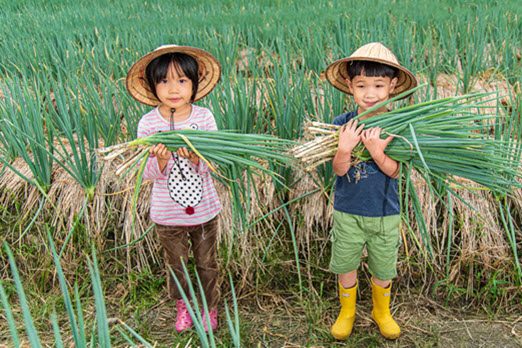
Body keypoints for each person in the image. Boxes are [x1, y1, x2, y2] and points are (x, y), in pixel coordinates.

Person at [126, 45, 222, 333]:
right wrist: (162, 160)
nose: (173, 89)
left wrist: (196, 156)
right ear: (153, 86)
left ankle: (209, 307)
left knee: (207, 263)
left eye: (182, 80)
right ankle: (183, 306)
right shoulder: (148, 124)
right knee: (177, 265)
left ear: (194, 84)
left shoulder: (203, 118)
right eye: (164, 81)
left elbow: (214, 163)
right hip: (167, 215)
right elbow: (146, 173)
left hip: (204, 211)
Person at [324, 42, 417, 340]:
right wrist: (344, 149)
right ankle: (347, 312)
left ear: (392, 85)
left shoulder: (398, 126)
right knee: (346, 264)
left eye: (378, 85)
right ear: (350, 86)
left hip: (385, 213)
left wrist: (377, 152)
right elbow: (339, 171)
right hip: (348, 210)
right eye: (361, 85)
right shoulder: (342, 125)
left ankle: (381, 311)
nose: (370, 93)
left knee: (383, 267)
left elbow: (395, 170)